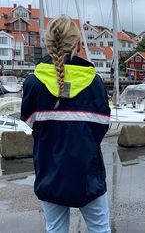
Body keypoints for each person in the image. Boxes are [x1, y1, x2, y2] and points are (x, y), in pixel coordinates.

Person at [21, 16, 111, 233]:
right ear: (78, 44)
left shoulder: (33, 83)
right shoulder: (94, 82)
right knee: (100, 229)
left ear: (48, 44)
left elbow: (32, 124)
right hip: (87, 174)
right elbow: (101, 128)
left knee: (56, 229)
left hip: (50, 172)